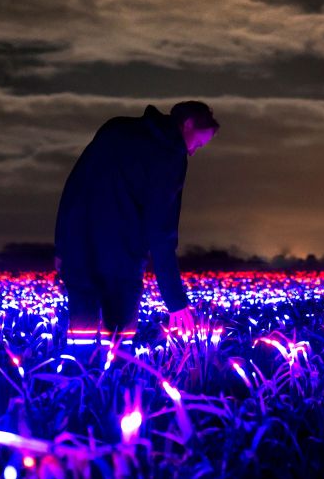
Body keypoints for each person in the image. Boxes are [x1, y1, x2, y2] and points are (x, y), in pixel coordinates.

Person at [54, 101, 219, 341]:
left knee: (82, 330)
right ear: (188, 124)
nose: (192, 151)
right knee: (120, 335)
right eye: (198, 143)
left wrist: (62, 245)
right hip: (122, 255)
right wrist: (175, 300)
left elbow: (74, 186)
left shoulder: (115, 128)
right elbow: (162, 229)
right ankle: (117, 376)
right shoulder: (170, 156)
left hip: (79, 246)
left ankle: (80, 377)